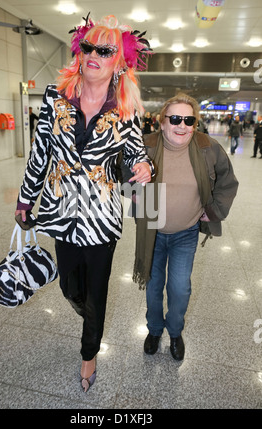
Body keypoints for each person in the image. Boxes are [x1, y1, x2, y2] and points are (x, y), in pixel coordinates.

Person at [15, 14, 152, 392]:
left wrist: (143, 170)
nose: (93, 54)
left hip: (101, 221)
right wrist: (26, 199)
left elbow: (137, 159)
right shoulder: (54, 100)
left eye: (104, 49)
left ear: (118, 62)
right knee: (70, 288)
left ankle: (89, 353)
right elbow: (40, 155)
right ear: (79, 52)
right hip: (60, 214)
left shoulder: (126, 113)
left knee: (97, 294)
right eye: (88, 46)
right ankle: (84, 310)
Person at [132, 93, 239, 361]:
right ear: (162, 122)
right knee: (154, 285)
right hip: (152, 232)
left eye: (188, 120)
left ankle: (175, 332)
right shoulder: (146, 146)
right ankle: (155, 330)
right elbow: (123, 174)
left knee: (179, 288)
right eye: (175, 119)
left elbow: (228, 182)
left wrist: (212, 211)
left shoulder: (207, 147)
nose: (182, 126)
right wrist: (132, 191)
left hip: (186, 233)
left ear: (195, 123)